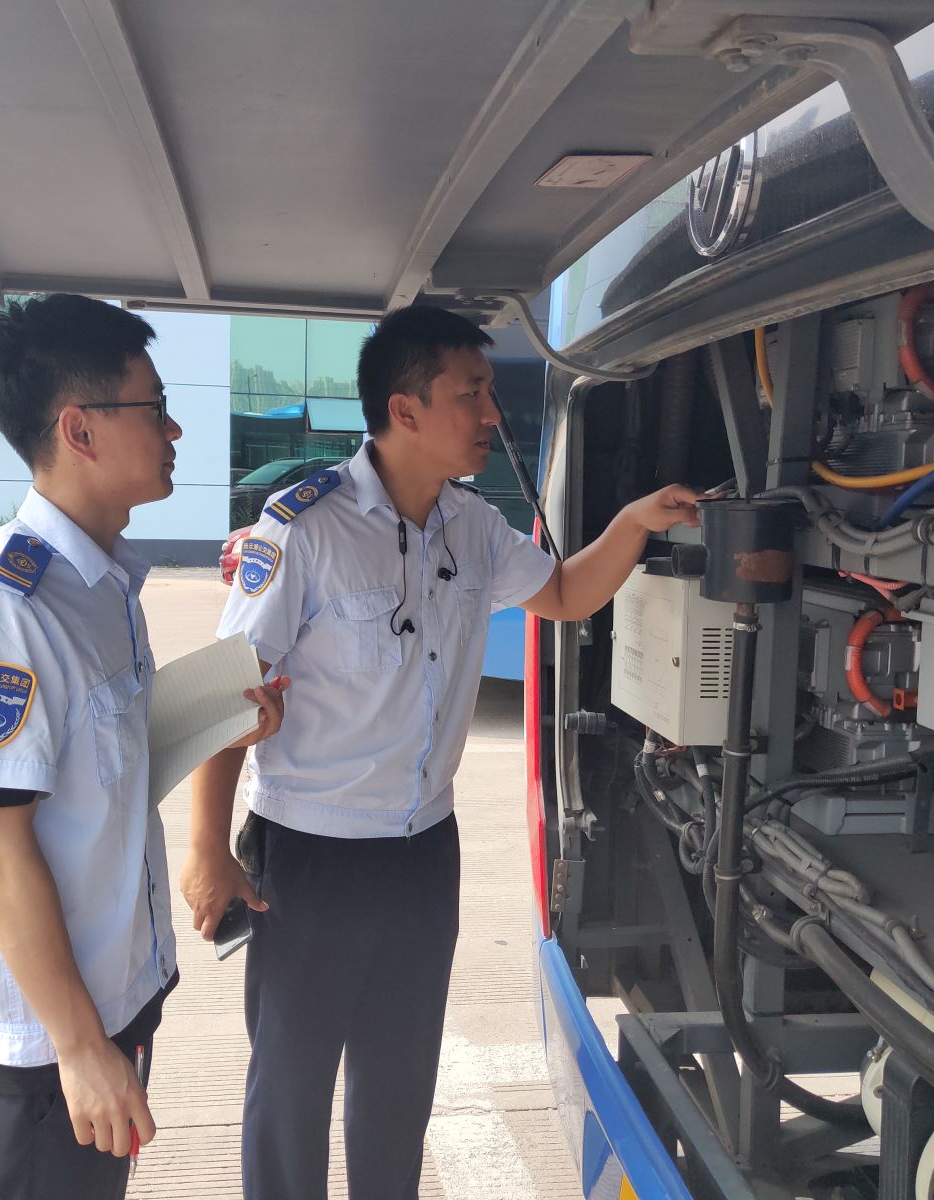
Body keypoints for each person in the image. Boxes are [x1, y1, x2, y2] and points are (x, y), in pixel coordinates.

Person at [182, 304, 703, 1200]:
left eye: (489, 392)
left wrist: (634, 521)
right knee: (291, 1090)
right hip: (310, 854)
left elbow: (564, 593)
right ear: (406, 409)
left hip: (425, 850)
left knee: (400, 1084)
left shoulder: (472, 525)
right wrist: (205, 849)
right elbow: (222, 693)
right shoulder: (304, 527)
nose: (492, 413)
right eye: (472, 394)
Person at [0, 294, 287, 1200]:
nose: (174, 429)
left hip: (112, 1004)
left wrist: (220, 717)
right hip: (44, 1052)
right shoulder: (4, 608)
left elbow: (98, 772)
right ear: (79, 429)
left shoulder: (101, 584)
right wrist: (80, 1050)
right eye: (153, 407)